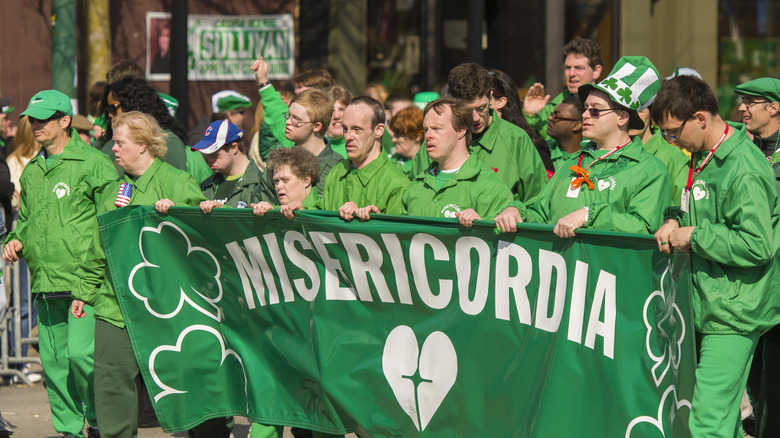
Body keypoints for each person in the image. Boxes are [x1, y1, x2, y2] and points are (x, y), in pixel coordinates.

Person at [652, 75, 780, 438]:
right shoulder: (702, 156)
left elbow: (757, 244)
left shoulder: (744, 167)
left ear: (700, 119)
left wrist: (695, 236)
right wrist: (673, 217)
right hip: (704, 304)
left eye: (673, 132)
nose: (671, 141)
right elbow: (692, 206)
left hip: (734, 312)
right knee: (723, 422)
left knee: (706, 423)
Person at [71, 111, 206, 438]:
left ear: (143, 145)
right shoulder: (112, 191)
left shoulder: (178, 182)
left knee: (190, 387)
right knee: (111, 387)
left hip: (168, 308)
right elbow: (98, 246)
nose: (113, 149)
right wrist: (83, 292)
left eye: (119, 143)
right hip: (115, 308)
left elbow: (204, 238)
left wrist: (175, 217)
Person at [2, 89, 116, 438]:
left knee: (83, 357)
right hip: (45, 281)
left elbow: (109, 222)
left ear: (65, 121)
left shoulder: (95, 164)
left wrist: (94, 276)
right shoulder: (33, 171)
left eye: (44, 119)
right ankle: (69, 430)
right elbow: (28, 222)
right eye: (32, 119)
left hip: (86, 283)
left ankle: (97, 421)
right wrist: (14, 240)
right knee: (53, 366)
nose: (35, 125)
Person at [495, 56, 670, 237]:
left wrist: (590, 216)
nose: (586, 115)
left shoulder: (649, 170)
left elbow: (646, 228)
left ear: (623, 117)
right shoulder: (572, 163)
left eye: (595, 110)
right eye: (584, 108)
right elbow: (541, 214)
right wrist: (517, 213)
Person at [410, 62, 548, 204]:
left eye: (481, 108)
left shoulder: (515, 139)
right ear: (452, 102)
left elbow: (539, 205)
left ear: (490, 96)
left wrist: (514, 213)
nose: (475, 118)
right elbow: (413, 195)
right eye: (467, 110)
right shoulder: (436, 140)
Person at [733, 77, 780, 437]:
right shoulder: (744, 149)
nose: (741, 108)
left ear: (774, 107)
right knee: (756, 379)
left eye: (750, 102)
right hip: (751, 285)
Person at [402, 98, 512, 226]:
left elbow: (506, 241)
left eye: (437, 128)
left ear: (460, 131)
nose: (428, 136)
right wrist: (376, 219)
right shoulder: (415, 187)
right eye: (426, 129)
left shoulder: (490, 188)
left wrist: (482, 225)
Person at [96, 77, 212, 182]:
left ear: (132, 105)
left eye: (113, 108)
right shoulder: (107, 142)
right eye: (108, 109)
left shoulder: (167, 141)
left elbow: (173, 184)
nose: (110, 114)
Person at [323, 96, 409, 220]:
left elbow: (399, 235)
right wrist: (299, 209)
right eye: (345, 129)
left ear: (379, 130)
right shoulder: (336, 172)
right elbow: (317, 219)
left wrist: (375, 222)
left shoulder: (398, 184)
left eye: (357, 129)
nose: (348, 137)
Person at [523, 37, 603, 140]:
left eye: (578, 68)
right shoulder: (553, 108)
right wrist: (530, 115)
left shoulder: (610, 104)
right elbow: (529, 141)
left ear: (596, 71)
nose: (572, 74)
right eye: (568, 68)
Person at [195, 119, 275, 211]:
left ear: (234, 148)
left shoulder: (261, 185)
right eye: (207, 155)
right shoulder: (205, 186)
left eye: (215, 155)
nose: (210, 160)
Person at [489, 69, 554, 173]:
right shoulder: (468, 143)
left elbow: (547, 187)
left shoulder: (532, 147)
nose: (475, 116)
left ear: (502, 102)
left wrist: (530, 115)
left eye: (484, 106)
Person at [629, 106, 688, 204]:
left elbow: (682, 207)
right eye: (626, 111)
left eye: (639, 111)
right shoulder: (608, 153)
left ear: (651, 115)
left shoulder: (673, 157)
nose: (632, 117)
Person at [252, 144, 323, 218]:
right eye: (276, 181)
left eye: (285, 180)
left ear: (306, 180)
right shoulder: (274, 209)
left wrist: (301, 212)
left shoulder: (325, 206)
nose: (279, 186)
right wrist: (268, 215)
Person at [187, 90, 253, 145]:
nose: (245, 116)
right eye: (242, 112)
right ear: (229, 115)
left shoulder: (229, 136)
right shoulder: (200, 141)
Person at [546, 95, 584, 172]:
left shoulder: (589, 159)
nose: (549, 118)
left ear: (576, 126)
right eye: (552, 114)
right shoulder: (543, 151)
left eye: (556, 116)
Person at [388, 106, 423, 174]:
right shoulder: (390, 161)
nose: (393, 139)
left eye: (399, 135)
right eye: (394, 134)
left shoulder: (429, 167)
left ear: (417, 137)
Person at [324, 85, 353, 159]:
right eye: (331, 110)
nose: (337, 116)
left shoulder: (361, 148)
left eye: (341, 109)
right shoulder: (314, 147)